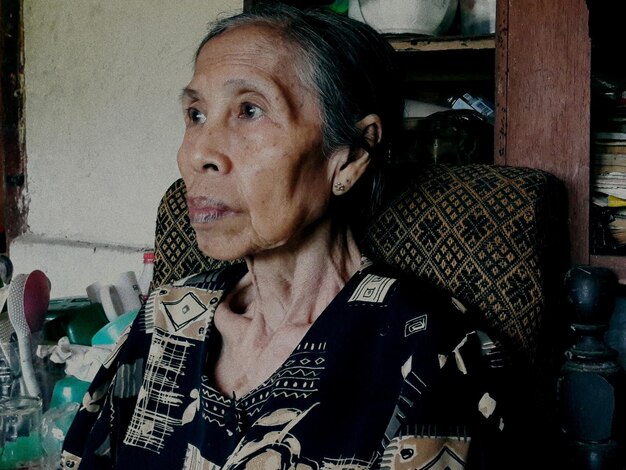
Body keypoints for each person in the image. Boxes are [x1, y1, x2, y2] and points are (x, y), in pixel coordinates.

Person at [61, 4, 511, 469]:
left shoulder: (426, 348)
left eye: (249, 110)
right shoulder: (169, 314)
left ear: (351, 156)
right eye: (196, 114)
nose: (199, 153)